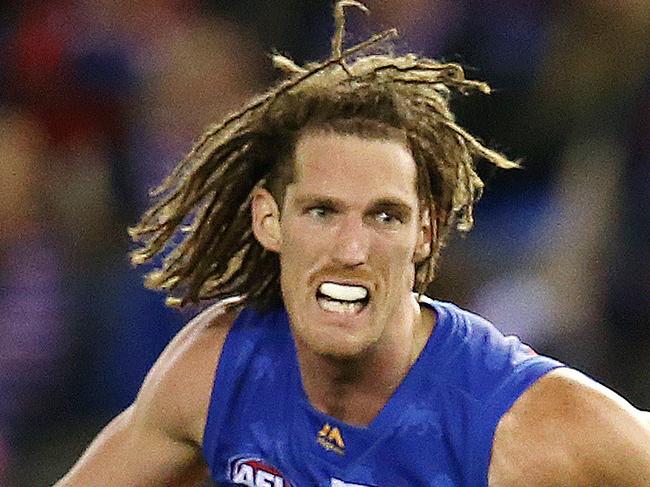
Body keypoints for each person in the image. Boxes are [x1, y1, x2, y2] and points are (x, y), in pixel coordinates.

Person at [55, 2, 650, 486]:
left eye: (385, 216)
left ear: (427, 232)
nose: (350, 249)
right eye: (321, 211)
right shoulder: (217, 373)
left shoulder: (528, 424)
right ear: (270, 220)